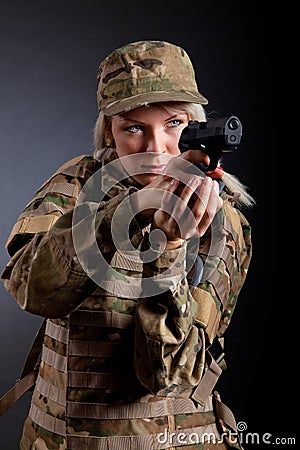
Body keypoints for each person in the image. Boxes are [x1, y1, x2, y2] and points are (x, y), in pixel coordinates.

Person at [1, 40, 254, 449]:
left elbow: (167, 377)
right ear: (109, 133)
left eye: (174, 125)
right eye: (133, 127)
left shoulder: (220, 221)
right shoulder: (78, 186)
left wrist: (170, 249)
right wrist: (128, 212)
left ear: (196, 129)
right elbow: (33, 290)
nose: (155, 148)